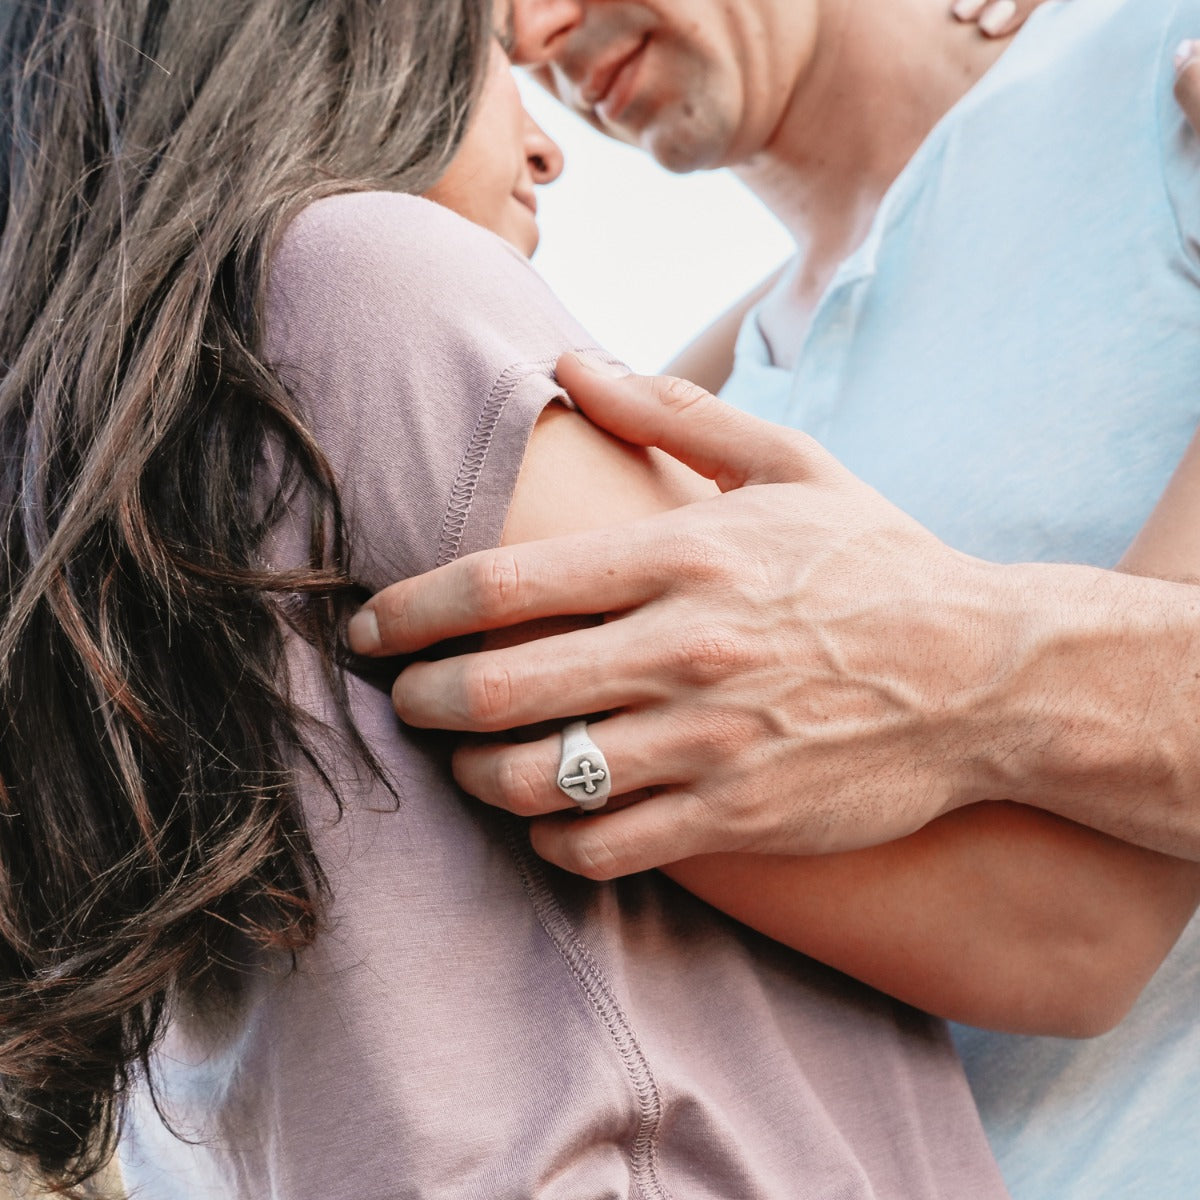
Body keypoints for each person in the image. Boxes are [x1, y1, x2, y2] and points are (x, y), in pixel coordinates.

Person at [0, 3, 1013, 1197]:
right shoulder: (356, 271)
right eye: (488, 56)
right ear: (345, 44)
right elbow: (1062, 931)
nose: (548, 148)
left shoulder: (111, 494)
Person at [349, 0, 1200, 1194]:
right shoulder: (704, 398)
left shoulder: (1150, 67)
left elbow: (1084, 931)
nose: (537, 32)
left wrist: (955, 657)